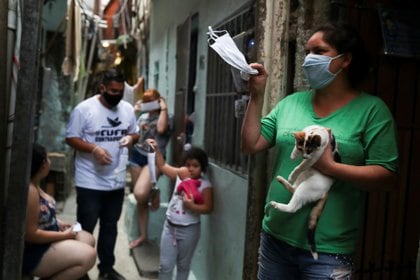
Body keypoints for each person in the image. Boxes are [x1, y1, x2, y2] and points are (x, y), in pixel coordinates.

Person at [241, 22, 399, 279]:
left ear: (345, 59)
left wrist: (330, 168)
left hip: (327, 251)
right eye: (307, 52)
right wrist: (256, 96)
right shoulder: (290, 103)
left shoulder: (372, 111)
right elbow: (251, 144)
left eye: (319, 51)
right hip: (275, 240)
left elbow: (387, 176)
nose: (308, 59)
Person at [65, 68, 139, 280]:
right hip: (89, 180)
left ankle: (106, 269)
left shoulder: (126, 109)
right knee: (85, 227)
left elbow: (134, 131)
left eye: (120, 91)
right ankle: (79, 270)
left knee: (110, 226)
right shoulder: (84, 109)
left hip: (115, 181)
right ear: (103, 88)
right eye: (112, 91)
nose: (116, 95)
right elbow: (71, 137)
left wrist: (130, 139)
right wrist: (93, 149)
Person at [22, 143, 96, 280]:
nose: (50, 162)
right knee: (89, 255)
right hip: (36, 250)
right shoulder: (31, 191)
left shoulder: (37, 184)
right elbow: (31, 234)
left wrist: (58, 222)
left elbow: (40, 216)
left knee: (88, 238)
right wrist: (64, 236)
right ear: (43, 164)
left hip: (49, 238)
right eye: (48, 158)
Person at [146, 138, 213, 280]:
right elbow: (162, 166)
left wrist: (192, 206)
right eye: (188, 165)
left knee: (183, 266)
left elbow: (208, 208)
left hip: (189, 231)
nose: (191, 169)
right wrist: (156, 149)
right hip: (169, 227)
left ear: (202, 168)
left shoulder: (204, 185)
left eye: (195, 166)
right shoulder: (181, 175)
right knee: (165, 266)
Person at [128, 88, 171, 248]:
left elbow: (160, 129)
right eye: (146, 101)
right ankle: (143, 236)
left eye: (151, 101)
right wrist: (135, 111)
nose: (148, 105)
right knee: (141, 200)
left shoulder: (167, 117)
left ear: (159, 101)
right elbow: (128, 130)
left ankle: (154, 190)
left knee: (140, 193)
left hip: (154, 158)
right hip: (136, 156)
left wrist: (164, 108)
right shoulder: (143, 116)